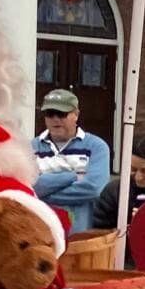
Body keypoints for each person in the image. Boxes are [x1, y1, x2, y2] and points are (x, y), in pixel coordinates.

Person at [31, 88, 110, 234]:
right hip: (41, 236)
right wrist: (74, 175)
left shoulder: (97, 147)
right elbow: (30, 187)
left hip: (80, 236)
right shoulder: (31, 148)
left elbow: (93, 189)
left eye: (61, 113)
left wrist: (44, 193)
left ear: (76, 114)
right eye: (49, 114)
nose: (55, 119)